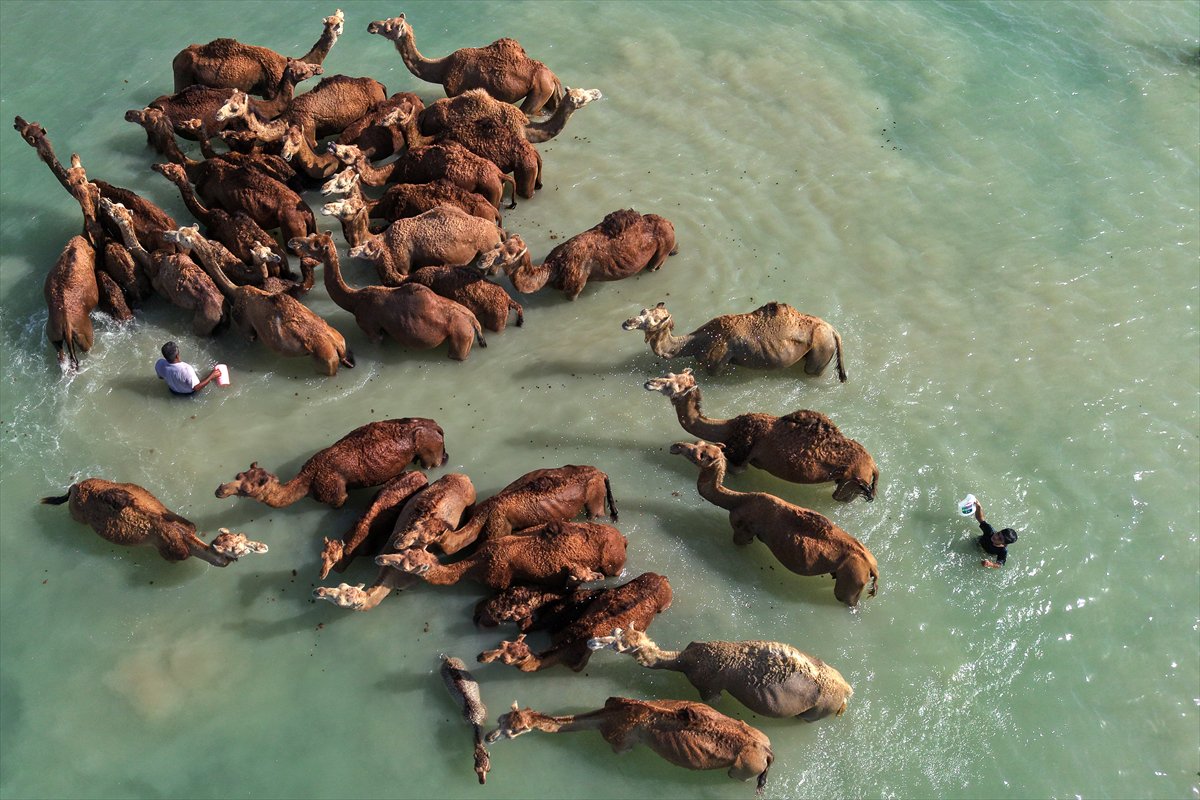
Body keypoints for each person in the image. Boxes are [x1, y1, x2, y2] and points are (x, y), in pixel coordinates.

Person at [154, 341, 221, 396]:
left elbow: (161, 377)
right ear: (177, 355)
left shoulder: (159, 363)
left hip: (173, 392)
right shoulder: (186, 369)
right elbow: (197, 388)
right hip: (188, 395)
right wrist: (212, 376)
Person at [973, 498, 1017, 568]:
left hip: (987, 553)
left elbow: (1000, 564)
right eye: (998, 533)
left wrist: (990, 564)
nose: (996, 537)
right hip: (977, 542)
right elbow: (980, 519)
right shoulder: (990, 531)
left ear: (1004, 544)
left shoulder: (1002, 551)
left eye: (1000, 539)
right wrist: (979, 507)